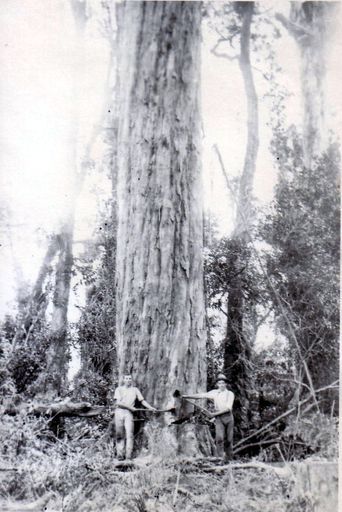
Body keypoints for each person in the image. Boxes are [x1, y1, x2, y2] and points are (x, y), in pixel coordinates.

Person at [183, 373, 234, 462]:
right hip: (219, 419)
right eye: (219, 383)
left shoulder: (230, 394)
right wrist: (186, 396)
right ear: (217, 384)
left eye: (223, 383)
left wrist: (214, 414)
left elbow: (228, 408)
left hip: (228, 418)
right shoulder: (214, 393)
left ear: (226, 384)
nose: (221, 385)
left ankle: (229, 460)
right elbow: (201, 395)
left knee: (229, 440)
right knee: (219, 438)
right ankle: (220, 459)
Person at [114, 374, 156, 460]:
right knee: (119, 435)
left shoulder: (135, 390)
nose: (128, 380)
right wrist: (130, 407)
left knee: (130, 435)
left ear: (131, 380)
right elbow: (118, 403)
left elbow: (142, 401)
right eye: (126, 378)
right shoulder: (119, 389)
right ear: (124, 380)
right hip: (119, 412)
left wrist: (150, 408)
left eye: (130, 378)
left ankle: (128, 457)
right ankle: (120, 456)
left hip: (129, 414)